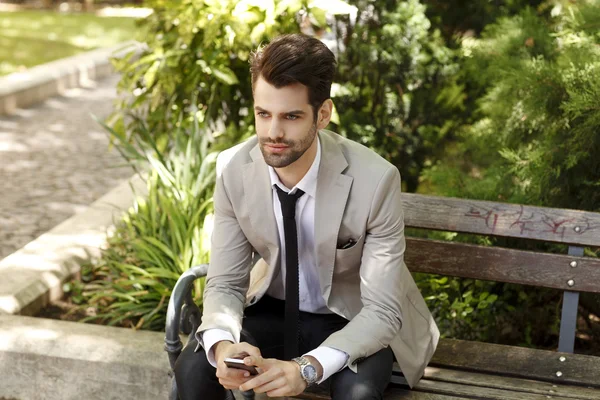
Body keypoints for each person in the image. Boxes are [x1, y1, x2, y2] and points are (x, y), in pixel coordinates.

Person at [174, 33, 439, 400]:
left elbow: (381, 310)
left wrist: (307, 369)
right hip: (271, 308)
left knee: (358, 395)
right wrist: (223, 347)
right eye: (262, 114)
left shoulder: (376, 180)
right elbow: (225, 284)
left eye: (291, 116)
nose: (273, 133)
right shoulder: (234, 170)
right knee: (194, 369)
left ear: (323, 114)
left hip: (353, 318)